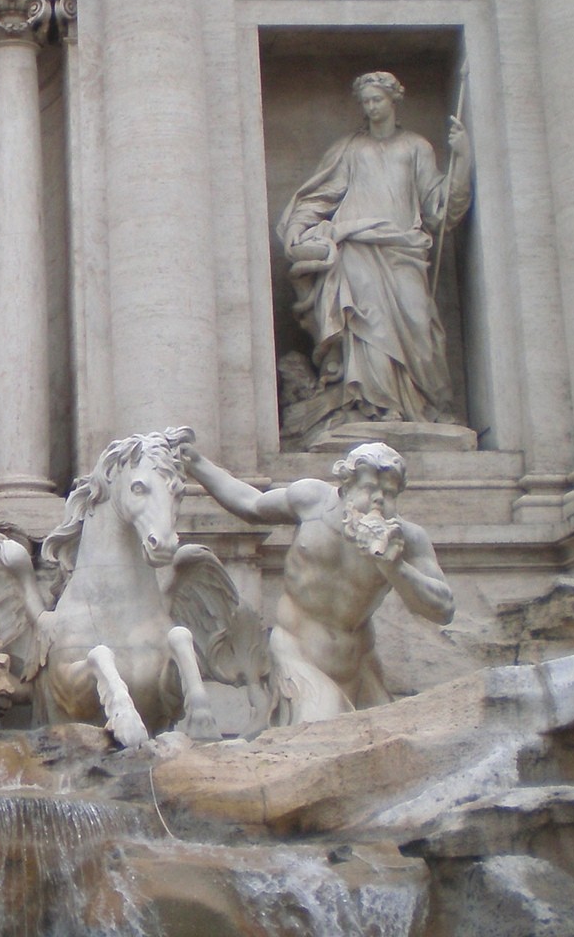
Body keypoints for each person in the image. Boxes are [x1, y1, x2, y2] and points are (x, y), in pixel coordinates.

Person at [177, 438, 455, 725]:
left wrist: (394, 566)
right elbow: (250, 504)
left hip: (359, 665)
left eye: (389, 492)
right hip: (298, 655)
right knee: (322, 735)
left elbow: (443, 608)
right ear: (346, 486)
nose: (379, 500)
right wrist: (196, 463)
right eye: (369, 488)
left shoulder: (407, 539)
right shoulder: (311, 500)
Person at [277, 71, 469, 441]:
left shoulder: (416, 147)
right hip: (356, 246)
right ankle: (375, 405)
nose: (370, 107)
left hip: (403, 248)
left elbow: (439, 208)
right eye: (365, 101)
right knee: (367, 326)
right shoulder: (350, 149)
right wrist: (299, 229)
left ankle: (426, 404)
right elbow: (320, 196)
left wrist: (462, 159)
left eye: (376, 100)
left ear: (393, 100)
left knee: (418, 322)